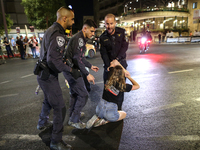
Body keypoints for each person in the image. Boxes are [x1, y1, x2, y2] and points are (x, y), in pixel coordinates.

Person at [36, 6, 74, 150]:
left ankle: (42, 122)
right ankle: (56, 141)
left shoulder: (50, 30)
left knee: (48, 99)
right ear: (64, 18)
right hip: (47, 76)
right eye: (71, 19)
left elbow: (50, 56)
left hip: (42, 74)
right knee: (60, 108)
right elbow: (53, 60)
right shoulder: (59, 34)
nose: (72, 21)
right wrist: (69, 69)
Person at [63, 19, 99, 129]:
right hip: (71, 70)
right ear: (85, 29)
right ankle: (74, 119)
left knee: (74, 94)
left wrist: (90, 66)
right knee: (83, 94)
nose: (93, 34)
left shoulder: (81, 38)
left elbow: (81, 57)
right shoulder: (79, 39)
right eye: (92, 31)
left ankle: (73, 115)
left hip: (70, 69)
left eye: (94, 32)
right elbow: (77, 59)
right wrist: (87, 74)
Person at [86, 59, 140, 129]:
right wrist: (128, 76)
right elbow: (137, 86)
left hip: (99, 108)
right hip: (110, 112)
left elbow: (111, 65)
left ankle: (98, 117)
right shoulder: (122, 86)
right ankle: (105, 121)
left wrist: (115, 64)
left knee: (104, 110)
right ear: (121, 75)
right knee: (124, 114)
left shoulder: (108, 78)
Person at [100, 13, 129, 110]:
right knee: (108, 89)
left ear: (115, 23)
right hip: (109, 67)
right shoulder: (102, 37)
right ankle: (108, 109)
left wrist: (117, 60)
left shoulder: (122, 32)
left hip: (121, 65)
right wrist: (109, 65)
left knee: (120, 88)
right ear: (105, 24)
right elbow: (103, 53)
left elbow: (124, 47)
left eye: (111, 23)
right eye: (107, 24)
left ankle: (118, 109)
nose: (109, 26)